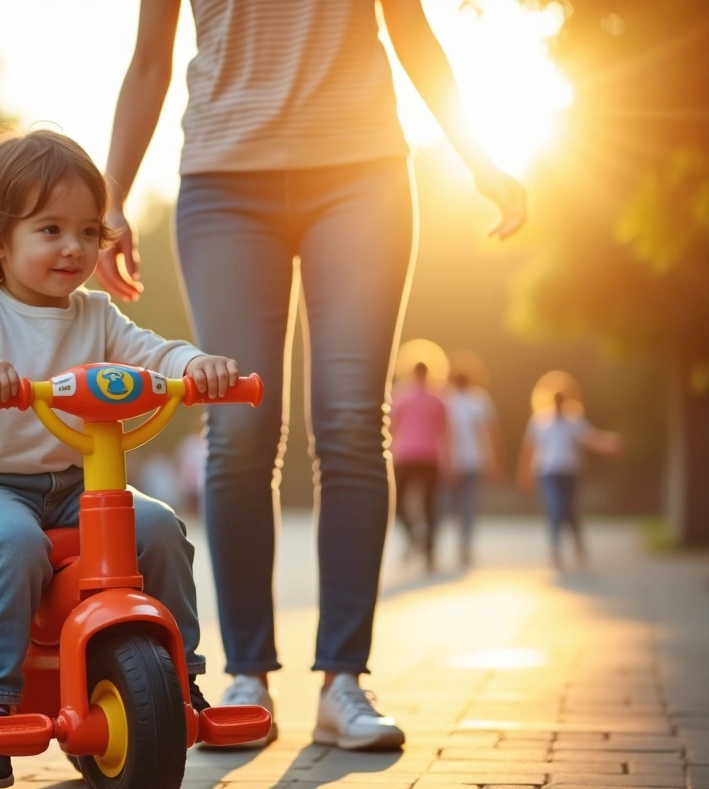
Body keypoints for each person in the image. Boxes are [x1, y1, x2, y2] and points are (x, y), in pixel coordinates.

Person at [98, 0, 527, 750]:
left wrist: (480, 159)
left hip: (362, 172)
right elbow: (147, 61)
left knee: (354, 420)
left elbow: (412, 31)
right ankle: (246, 679)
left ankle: (344, 681)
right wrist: (110, 198)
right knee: (237, 425)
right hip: (224, 178)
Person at [0, 126, 240, 788]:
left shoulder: (98, 316)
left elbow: (155, 352)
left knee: (161, 530)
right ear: (0, 239)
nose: (74, 248)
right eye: (51, 229)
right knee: (13, 540)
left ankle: (181, 682)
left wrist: (196, 366)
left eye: (89, 232)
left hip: (73, 485)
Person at [517, 390, 622, 568]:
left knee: (570, 510)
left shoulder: (574, 421)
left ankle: (578, 543)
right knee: (555, 509)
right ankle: (555, 549)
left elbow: (590, 438)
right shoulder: (540, 421)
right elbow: (529, 449)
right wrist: (524, 473)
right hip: (548, 472)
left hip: (570, 473)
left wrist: (608, 444)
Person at [389, 362, 448, 570]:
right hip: (430, 456)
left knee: (397, 502)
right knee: (430, 505)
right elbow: (444, 431)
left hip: (405, 455)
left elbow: (391, 426)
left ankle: (414, 534)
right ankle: (429, 552)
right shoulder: (439, 397)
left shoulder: (400, 395)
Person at [444, 368, 502, 566]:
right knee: (466, 507)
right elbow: (490, 434)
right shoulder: (479, 400)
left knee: (449, 506)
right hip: (472, 461)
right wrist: (493, 462)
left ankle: (452, 546)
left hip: (455, 462)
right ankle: (464, 546)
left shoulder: (447, 399)